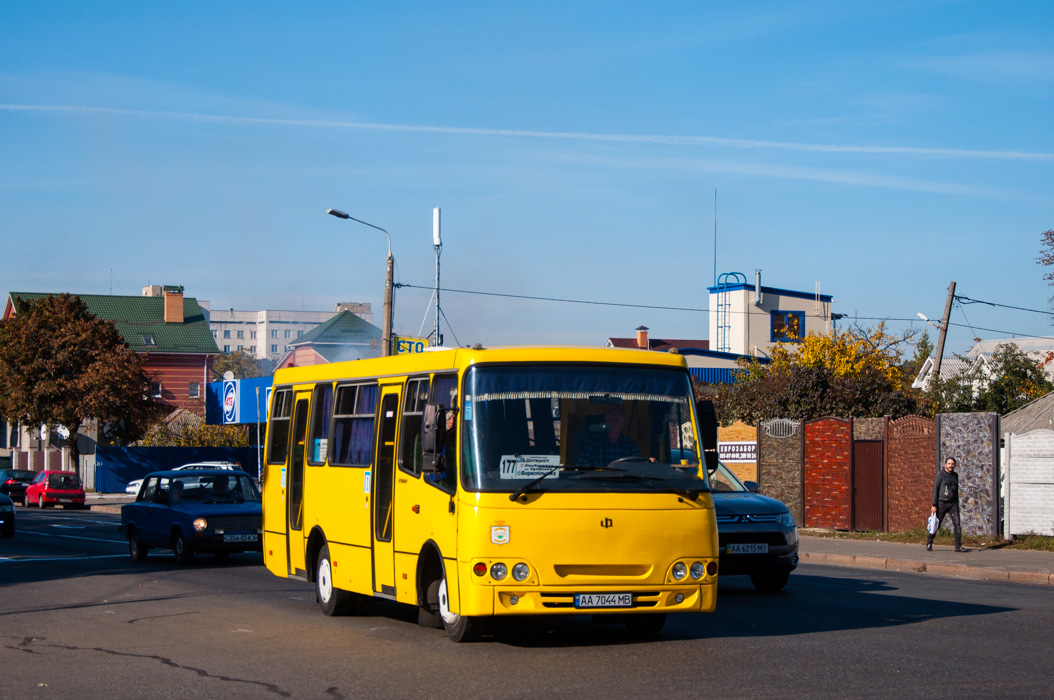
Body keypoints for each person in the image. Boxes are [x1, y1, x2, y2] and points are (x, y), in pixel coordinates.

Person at [575, 408, 644, 467]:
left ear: (622, 424)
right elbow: (581, 467)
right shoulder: (593, 443)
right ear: (605, 422)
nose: (613, 423)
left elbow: (639, 467)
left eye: (617, 420)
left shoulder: (630, 445)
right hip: (599, 478)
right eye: (610, 419)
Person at [926, 456, 964, 552]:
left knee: (957, 525)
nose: (951, 466)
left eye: (952, 464)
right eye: (949, 464)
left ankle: (958, 546)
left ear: (955, 465)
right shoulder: (940, 474)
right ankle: (929, 542)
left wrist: (957, 503)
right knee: (936, 524)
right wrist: (934, 505)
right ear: (945, 465)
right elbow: (936, 489)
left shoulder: (955, 475)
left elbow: (955, 490)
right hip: (941, 503)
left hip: (953, 504)